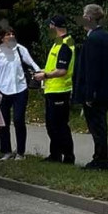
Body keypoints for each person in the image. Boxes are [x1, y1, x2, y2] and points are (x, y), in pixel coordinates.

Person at [73, 4, 108, 170]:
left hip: (95, 92)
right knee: (100, 125)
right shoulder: (107, 36)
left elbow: (92, 69)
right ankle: (100, 158)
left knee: (97, 127)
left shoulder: (93, 39)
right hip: (106, 90)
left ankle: (100, 160)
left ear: (89, 18)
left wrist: (90, 94)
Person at [0, 28, 39, 160]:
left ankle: (20, 152)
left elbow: (31, 62)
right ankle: (6, 151)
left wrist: (39, 72)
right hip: (3, 90)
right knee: (4, 122)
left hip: (20, 89)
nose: (11, 36)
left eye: (13, 34)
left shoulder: (20, 49)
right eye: (8, 35)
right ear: (2, 38)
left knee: (18, 120)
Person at [34, 15, 76, 164]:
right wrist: (42, 71)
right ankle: (55, 154)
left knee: (58, 125)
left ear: (54, 26)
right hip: (53, 89)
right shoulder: (60, 42)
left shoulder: (65, 44)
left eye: (50, 26)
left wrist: (45, 75)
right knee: (52, 124)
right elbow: (55, 66)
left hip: (60, 90)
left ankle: (68, 156)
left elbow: (62, 70)